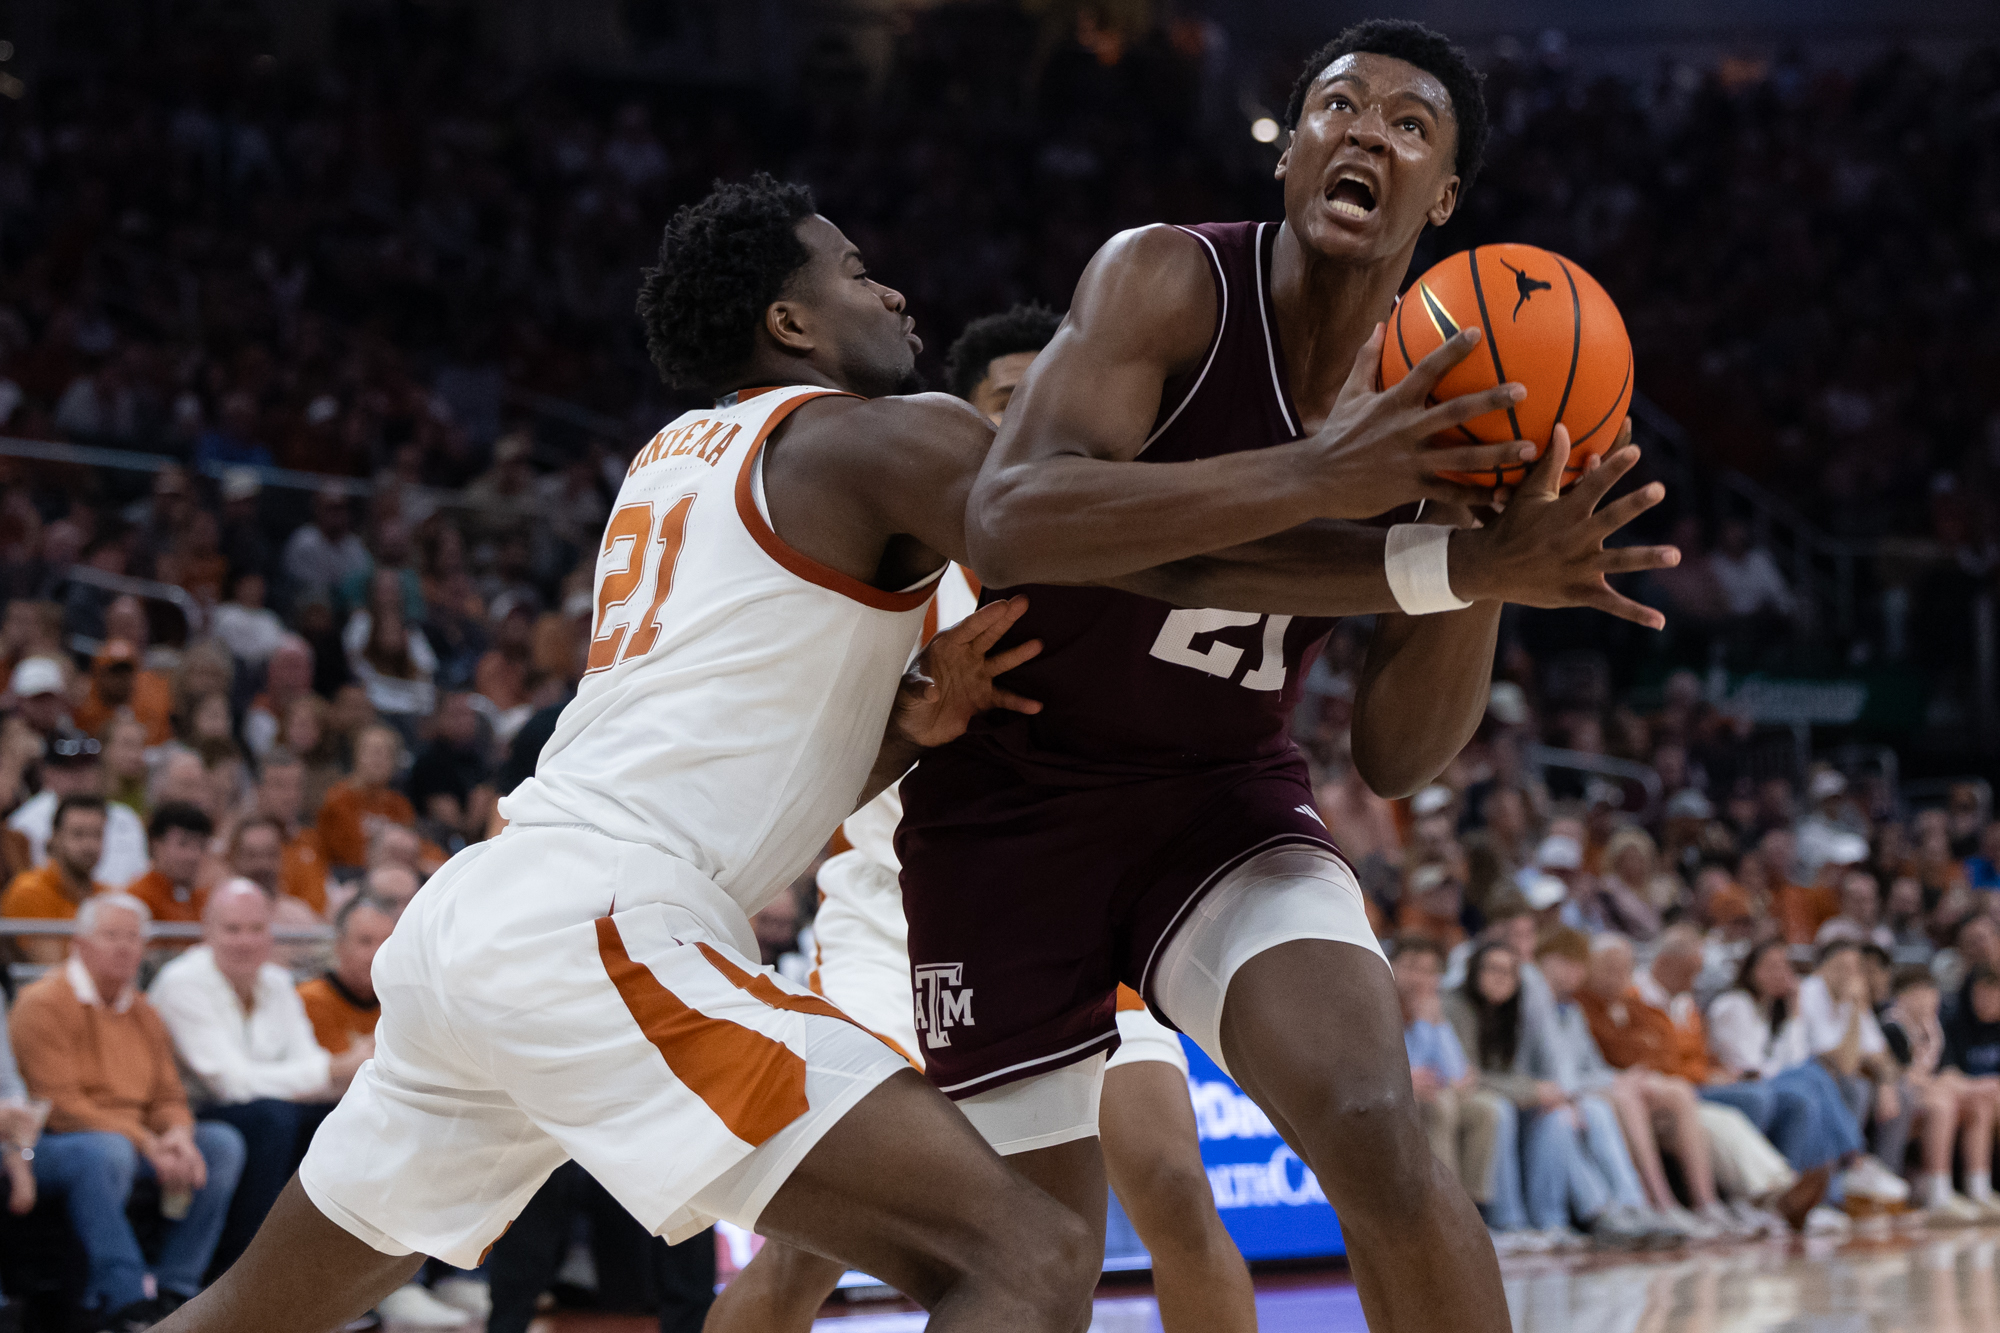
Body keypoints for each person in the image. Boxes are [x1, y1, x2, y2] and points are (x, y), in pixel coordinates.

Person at [157, 129, 1659, 1333]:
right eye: (859, 275)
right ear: (791, 318)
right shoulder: (886, 434)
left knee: (245, 1319)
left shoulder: (672, 463)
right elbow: (1120, 551)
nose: (896, 298)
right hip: (601, 926)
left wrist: (906, 726)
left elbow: (744, 732)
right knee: (1022, 1254)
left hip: (488, 916)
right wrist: (1425, 545)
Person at [894, 21, 1676, 1330]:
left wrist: (1482, 558)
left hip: (1219, 802)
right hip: (1012, 804)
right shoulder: (1166, 282)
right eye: (1336, 106)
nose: (1366, 129)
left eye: (1409, 124)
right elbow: (1011, 518)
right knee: (1032, 1269)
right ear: (1291, 152)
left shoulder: (1455, 389)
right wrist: (1325, 483)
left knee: (1374, 1121)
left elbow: (1397, 755)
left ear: (1447, 201)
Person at [713, 304, 1257, 1333]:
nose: (1032, 419)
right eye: (1007, 401)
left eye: (1046, 398)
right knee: (809, 1253)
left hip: (1066, 911)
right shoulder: (890, 562)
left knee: (1173, 1188)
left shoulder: (1113, 560)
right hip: (896, 922)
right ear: (958, 428)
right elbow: (806, 739)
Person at [8, 895, 246, 1330]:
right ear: (79, 944)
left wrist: (177, 1134)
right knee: (107, 1152)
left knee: (222, 1144)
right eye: (111, 935)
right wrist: (147, 1142)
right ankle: (127, 1298)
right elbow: (58, 1105)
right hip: (57, 1142)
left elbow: (169, 1096)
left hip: (135, 1139)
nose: (124, 947)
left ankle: (177, 1289)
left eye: (134, 938)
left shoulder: (144, 1011)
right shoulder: (42, 1003)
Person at [148, 882, 363, 1274]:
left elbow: (309, 1063)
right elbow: (230, 1083)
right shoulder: (182, 983)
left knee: (338, 1116)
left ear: (270, 934)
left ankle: (324, 1269)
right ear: (206, 932)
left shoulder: (277, 982)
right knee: (272, 1119)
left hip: (265, 1108)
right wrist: (336, 1068)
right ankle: (244, 1269)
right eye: (232, 929)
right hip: (189, 1116)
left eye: (255, 929)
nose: (245, 941)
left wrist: (332, 1073)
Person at [1443, 941, 1659, 1248]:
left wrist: (1545, 1093)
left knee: (1564, 1115)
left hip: (1516, 1101)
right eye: (1492, 969)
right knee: (1502, 1109)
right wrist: (1533, 1091)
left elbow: (1530, 1072)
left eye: (1509, 971)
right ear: (1473, 972)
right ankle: (1509, 1220)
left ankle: (1578, 1216)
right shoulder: (1456, 1008)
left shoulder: (1514, 1011)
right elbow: (1467, 1077)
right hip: (1477, 1101)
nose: (1501, 977)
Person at [1705, 940, 1902, 1212]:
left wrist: (1793, 1013)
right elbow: (1754, 1067)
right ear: (1750, 971)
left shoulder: (1773, 1008)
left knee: (1812, 1085)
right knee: (1815, 1079)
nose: (1782, 973)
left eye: (1784, 966)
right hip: (1743, 1084)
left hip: (1774, 1080)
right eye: (1771, 967)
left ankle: (1817, 1191)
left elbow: (1792, 1061)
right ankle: (1852, 1161)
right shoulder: (1734, 1004)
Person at [1393, 935, 1510, 1234]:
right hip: (1396, 1097)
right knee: (1440, 1104)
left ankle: (1474, 1212)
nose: (1421, 978)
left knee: (1487, 1109)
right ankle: (1446, 1212)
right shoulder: (1382, 1008)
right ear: (1391, 967)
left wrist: (1435, 1023)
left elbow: (1458, 1074)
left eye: (1430, 971)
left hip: (1433, 1092)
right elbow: (1400, 1070)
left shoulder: (1432, 1009)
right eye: (1412, 968)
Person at [1883, 968, 2000, 1219]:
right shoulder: (1892, 1027)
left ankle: (1979, 1189)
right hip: (1899, 1102)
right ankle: (1938, 1192)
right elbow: (1903, 1076)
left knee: (1980, 1103)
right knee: (1943, 1104)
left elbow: (1947, 1072)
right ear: (1902, 997)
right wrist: (1951, 1086)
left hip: (1929, 1094)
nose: (1929, 1000)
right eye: (1921, 994)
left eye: (1932, 993)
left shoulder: (1934, 1028)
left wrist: (1976, 1087)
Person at [6, 729, 149, 890]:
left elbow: (140, 877)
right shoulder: (24, 823)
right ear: (48, 774)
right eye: (69, 770)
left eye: (86, 767)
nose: (79, 777)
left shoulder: (126, 819)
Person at [1, 793, 113, 965]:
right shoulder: (30, 891)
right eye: (78, 834)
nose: (89, 845)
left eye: (97, 835)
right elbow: (50, 969)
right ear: (55, 837)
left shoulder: (108, 896)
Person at [314, 725, 416, 870]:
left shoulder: (400, 806)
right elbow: (340, 854)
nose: (378, 760)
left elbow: (412, 849)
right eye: (372, 752)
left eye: (385, 754)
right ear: (357, 757)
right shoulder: (337, 800)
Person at [124, 802, 218, 927]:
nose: (192, 855)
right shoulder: (136, 899)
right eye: (183, 844)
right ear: (156, 844)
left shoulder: (208, 900)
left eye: (201, 846)